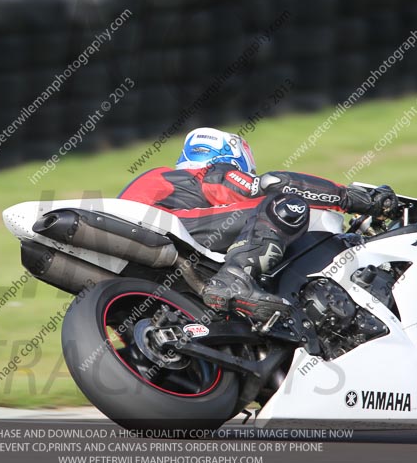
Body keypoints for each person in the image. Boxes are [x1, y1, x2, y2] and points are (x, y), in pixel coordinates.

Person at [118, 127, 398, 322]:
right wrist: (353, 199)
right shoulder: (208, 172)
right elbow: (270, 184)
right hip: (162, 226)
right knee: (286, 201)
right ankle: (234, 279)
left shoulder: (171, 182)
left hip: (136, 253)